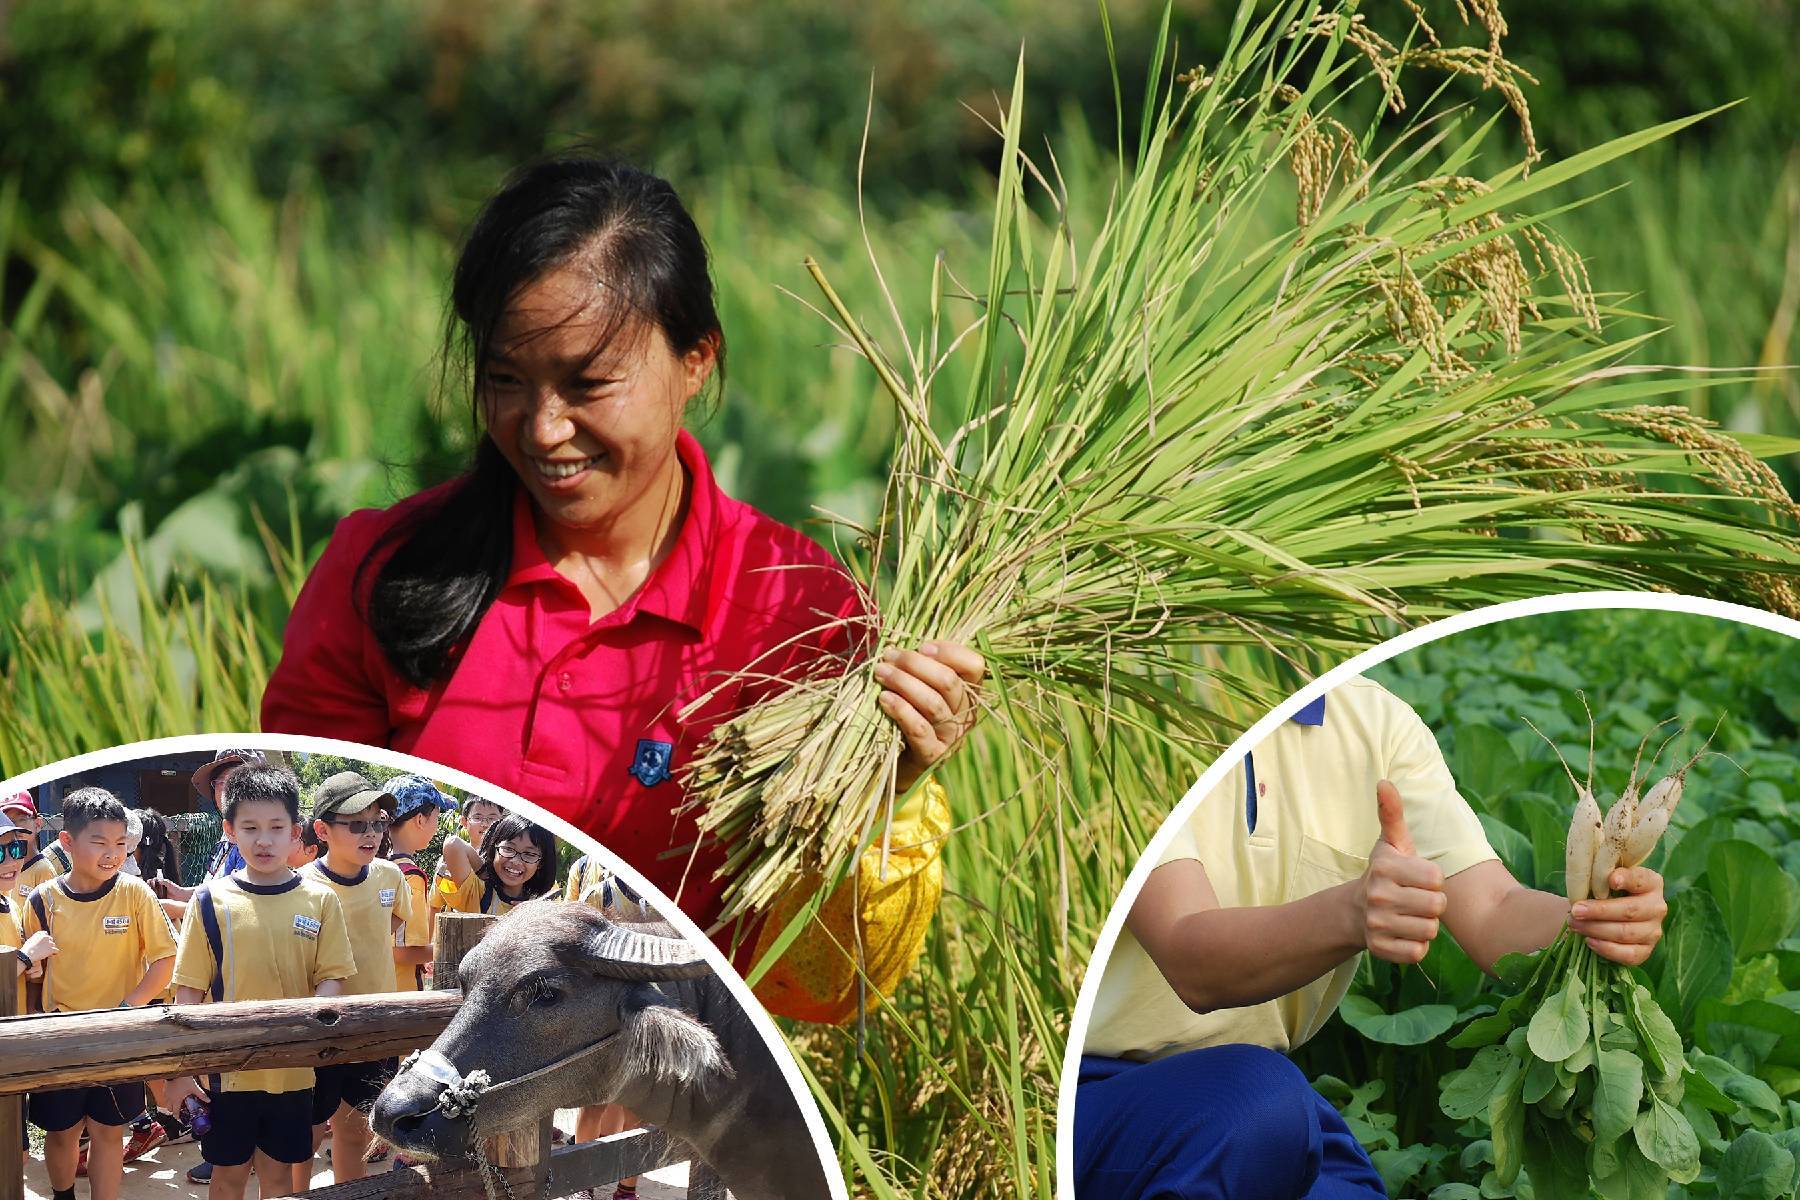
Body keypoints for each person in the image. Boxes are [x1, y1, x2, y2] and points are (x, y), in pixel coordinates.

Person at [258, 156, 984, 936]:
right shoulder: (385, 572)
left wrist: (884, 786)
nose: (542, 428)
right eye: (505, 379)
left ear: (695, 359)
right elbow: (324, 876)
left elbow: (826, 981)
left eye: (589, 384)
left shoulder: (800, 610)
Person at [1074, 679, 1671, 1200]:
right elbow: (1190, 957)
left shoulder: (1377, 724)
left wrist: (1594, 917)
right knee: (1259, 1103)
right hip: (1101, 1094)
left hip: (1262, 1110)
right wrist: (1352, 912)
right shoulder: (1124, 711)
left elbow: (1494, 909)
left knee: (1289, 1131)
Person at [165, 766, 357, 1200]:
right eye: (250, 828)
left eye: (276, 827)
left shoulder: (320, 899)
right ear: (230, 830)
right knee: (228, 1177)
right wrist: (186, 1071)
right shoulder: (209, 900)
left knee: (278, 1178)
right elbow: (189, 992)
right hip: (227, 1075)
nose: (264, 840)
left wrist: (309, 1031)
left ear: (296, 832)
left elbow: (332, 978)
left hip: (293, 1074)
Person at [21, 788, 178, 1200]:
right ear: (68, 842)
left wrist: (129, 1006)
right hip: (61, 1035)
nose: (113, 853)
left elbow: (165, 960)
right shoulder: (42, 900)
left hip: (118, 1033)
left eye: (121, 844)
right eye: (100, 843)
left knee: (110, 1131)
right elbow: (33, 977)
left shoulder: (135, 892)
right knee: (63, 1132)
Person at [301, 771, 420, 1186]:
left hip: (376, 1028)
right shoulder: (302, 886)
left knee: (355, 1133)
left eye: (378, 822)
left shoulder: (391, 877)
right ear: (322, 829)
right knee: (307, 1135)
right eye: (356, 824)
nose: (370, 833)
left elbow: (383, 932)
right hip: (320, 1032)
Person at [378, 774, 453, 990]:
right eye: (437, 817)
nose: (437, 826)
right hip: (399, 992)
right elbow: (401, 952)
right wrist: (451, 949)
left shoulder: (376, 865)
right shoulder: (409, 876)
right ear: (420, 819)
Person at [438, 812, 557, 916]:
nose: (515, 861)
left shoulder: (544, 903)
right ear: (493, 849)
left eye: (529, 854)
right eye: (509, 849)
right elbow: (453, 844)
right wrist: (482, 870)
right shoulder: (479, 893)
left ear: (541, 862)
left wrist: (539, 913)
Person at [0, 806, 59, 1011]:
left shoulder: (12, 906)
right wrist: (25, 957)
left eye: (16, 848)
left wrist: (28, 965)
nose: (11, 861)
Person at [430, 796, 503, 914]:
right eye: (478, 817)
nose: (485, 824)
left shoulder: (506, 861)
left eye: (492, 818)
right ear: (464, 821)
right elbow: (435, 905)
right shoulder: (449, 859)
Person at [4, 792, 61, 904]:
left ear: (38, 824)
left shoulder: (43, 870)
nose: (14, 826)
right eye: (8, 821)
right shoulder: (5, 866)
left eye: (21, 819)